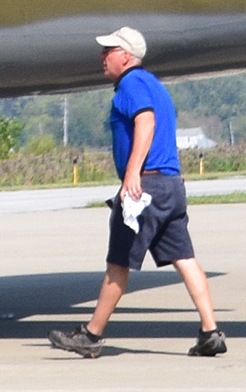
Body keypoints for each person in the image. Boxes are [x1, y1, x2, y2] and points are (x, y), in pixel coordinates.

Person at [51, 25, 227, 358]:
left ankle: (91, 335)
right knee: (185, 258)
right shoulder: (154, 85)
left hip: (144, 188)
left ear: (126, 57)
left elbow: (145, 122)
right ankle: (210, 331)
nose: (102, 56)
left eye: (109, 51)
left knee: (118, 263)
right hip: (170, 186)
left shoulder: (130, 84)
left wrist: (132, 174)